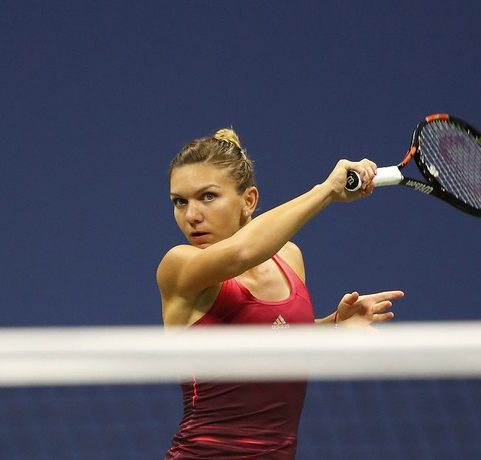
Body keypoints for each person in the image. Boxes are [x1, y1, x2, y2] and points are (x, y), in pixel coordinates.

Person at [157, 128, 404, 459]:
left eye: (208, 196)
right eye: (179, 202)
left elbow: (270, 339)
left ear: (249, 201)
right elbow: (243, 251)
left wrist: (331, 327)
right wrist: (327, 191)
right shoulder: (180, 266)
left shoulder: (289, 258)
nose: (192, 216)